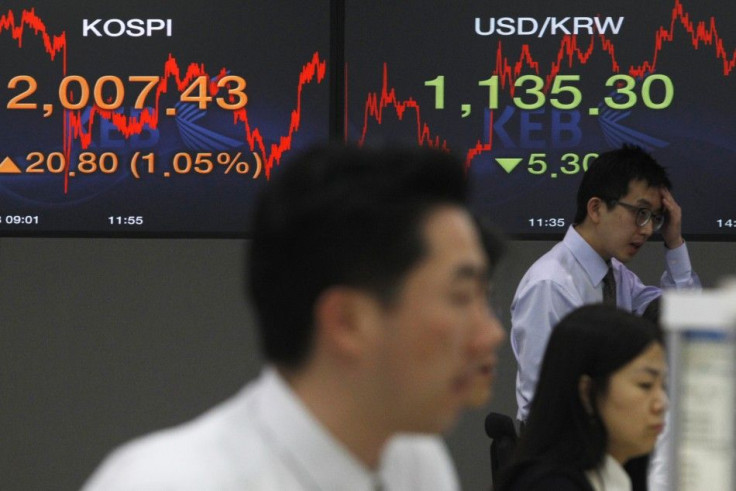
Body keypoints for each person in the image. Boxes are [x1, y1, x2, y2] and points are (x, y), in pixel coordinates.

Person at [82, 144, 506, 490]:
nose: (490, 334)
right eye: (461, 297)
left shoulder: (414, 461)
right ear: (347, 322)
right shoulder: (170, 482)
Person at [511, 144, 699, 424]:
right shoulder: (550, 284)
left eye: (655, 219)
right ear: (596, 209)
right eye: (641, 213)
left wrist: (674, 242)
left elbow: (685, 319)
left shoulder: (618, 277)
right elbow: (545, 406)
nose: (648, 230)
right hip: (565, 456)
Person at [497, 304, 668, 491]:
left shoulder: (619, 475)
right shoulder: (550, 486)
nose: (662, 403)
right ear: (586, 392)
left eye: (664, 386)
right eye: (645, 384)